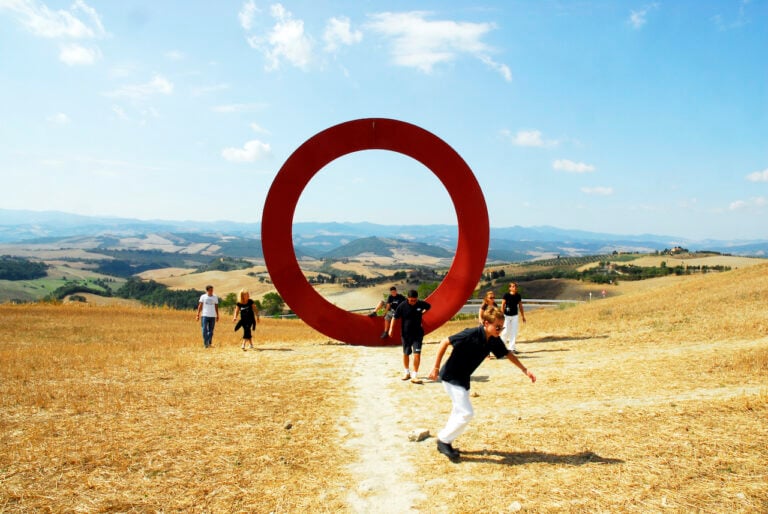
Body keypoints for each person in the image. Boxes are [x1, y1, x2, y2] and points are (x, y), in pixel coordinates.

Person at [428, 307, 536, 461]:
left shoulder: (493, 339)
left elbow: (507, 354)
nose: (500, 330)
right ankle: (443, 440)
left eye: (502, 327)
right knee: (466, 413)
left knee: (459, 411)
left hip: (463, 378)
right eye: (497, 327)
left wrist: (525, 370)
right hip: (451, 377)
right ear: (486, 323)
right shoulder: (471, 333)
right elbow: (444, 342)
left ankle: (445, 441)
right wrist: (435, 368)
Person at [392, 289, 431, 384]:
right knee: (406, 353)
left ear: (417, 299)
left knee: (417, 354)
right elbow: (394, 317)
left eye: (414, 300)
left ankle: (414, 376)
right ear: (407, 298)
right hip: (406, 335)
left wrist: (422, 313)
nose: (413, 302)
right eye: (411, 300)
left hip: (418, 334)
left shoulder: (420, 304)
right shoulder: (402, 305)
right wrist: (390, 329)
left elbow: (429, 306)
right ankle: (406, 373)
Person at [500, 282, 526, 354]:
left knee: (514, 332)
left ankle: (512, 348)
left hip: (514, 316)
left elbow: (520, 306)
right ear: (510, 288)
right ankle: (501, 348)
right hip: (506, 316)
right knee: (505, 331)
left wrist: (523, 316)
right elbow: (502, 305)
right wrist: (501, 315)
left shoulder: (518, 296)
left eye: (516, 286)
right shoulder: (506, 295)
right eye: (513, 286)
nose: (515, 287)